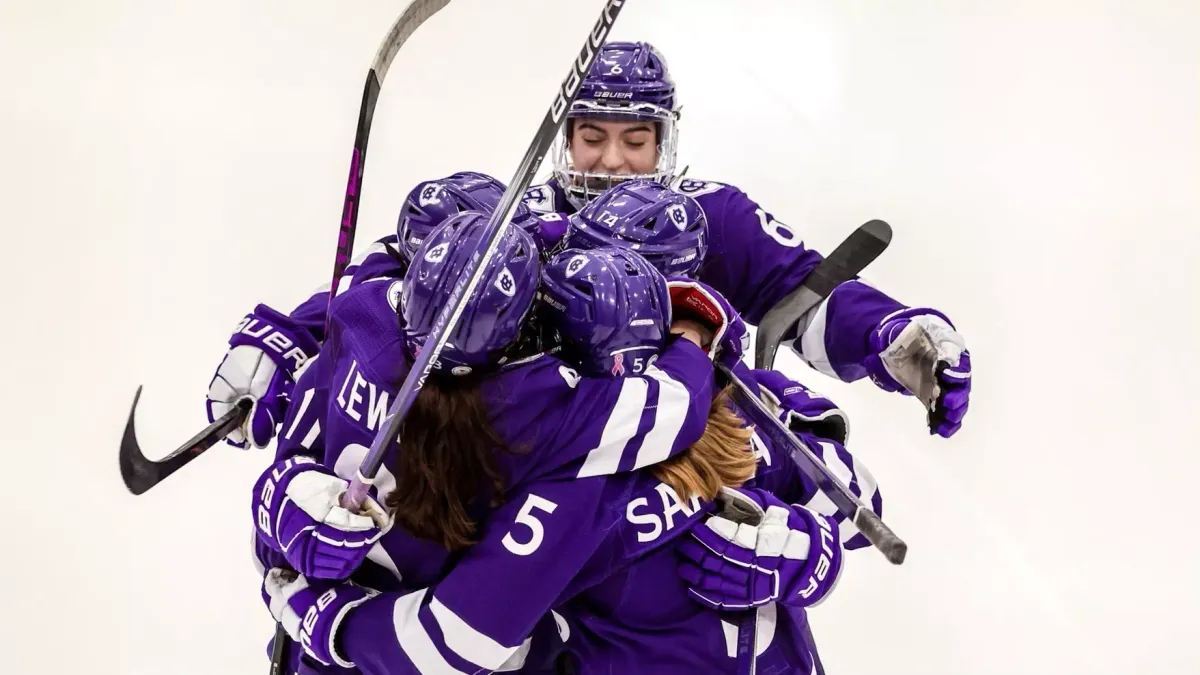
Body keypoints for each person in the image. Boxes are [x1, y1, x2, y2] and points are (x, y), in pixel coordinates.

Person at [252, 231, 879, 674]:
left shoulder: (741, 409)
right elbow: (400, 263)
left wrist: (808, 549)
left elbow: (857, 501)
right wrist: (291, 337)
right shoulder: (544, 451)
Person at [523, 41, 972, 439]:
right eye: (593, 137)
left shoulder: (709, 214)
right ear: (567, 137)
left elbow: (802, 296)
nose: (613, 160)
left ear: (663, 142)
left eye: (635, 140)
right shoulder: (526, 217)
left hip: (691, 441)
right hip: (552, 438)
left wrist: (888, 331)